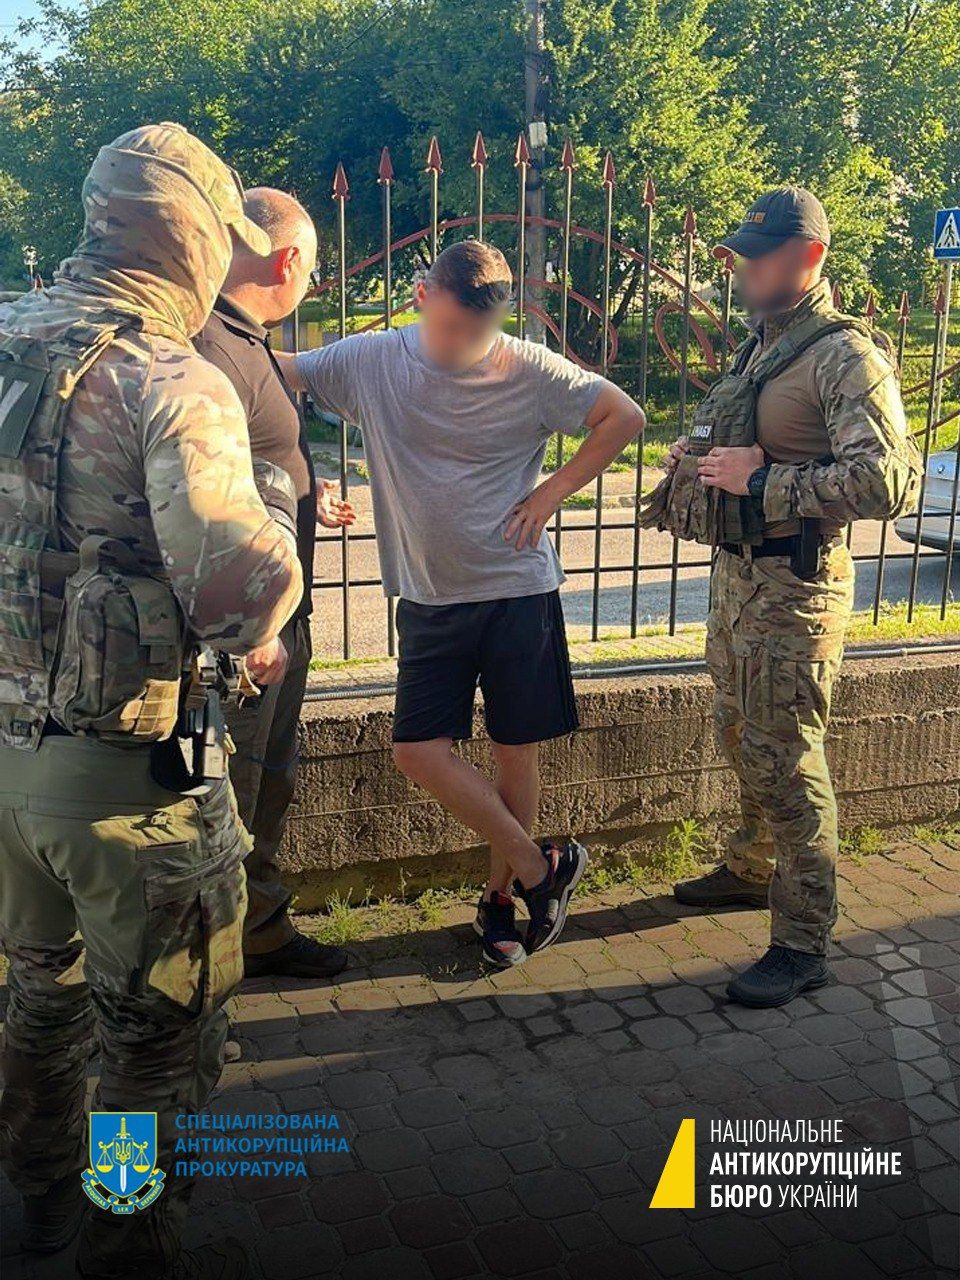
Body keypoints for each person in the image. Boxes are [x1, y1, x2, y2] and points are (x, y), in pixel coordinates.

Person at [0, 123, 303, 1278]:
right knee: (155, 1044)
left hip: (8, 773)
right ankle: (121, 1235)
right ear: (190, 236)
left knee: (41, 990)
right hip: (128, 788)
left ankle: (37, 1192)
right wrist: (277, 524)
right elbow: (236, 601)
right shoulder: (168, 379)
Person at [277, 239, 645, 967]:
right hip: (429, 595)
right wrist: (305, 476)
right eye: (452, 328)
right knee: (417, 751)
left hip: (517, 591)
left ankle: (501, 900)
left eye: (481, 332)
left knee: (515, 753)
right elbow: (274, 375)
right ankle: (542, 867)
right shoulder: (370, 359)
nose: (465, 345)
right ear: (421, 297)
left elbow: (624, 416)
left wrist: (552, 491)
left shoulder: (531, 368)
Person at [662, 187, 922, 1007]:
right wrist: (700, 458)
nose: (740, 269)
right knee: (739, 734)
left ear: (808, 258)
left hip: (797, 587)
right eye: (738, 255)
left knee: (788, 759)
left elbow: (890, 483)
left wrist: (763, 479)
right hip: (740, 581)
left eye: (758, 256)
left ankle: (803, 940)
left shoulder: (846, 356)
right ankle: (750, 868)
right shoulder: (764, 346)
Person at [194, 188, 355, 981]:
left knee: (267, 781)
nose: (310, 286)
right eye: (313, 272)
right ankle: (213, 966)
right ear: (288, 261)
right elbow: (194, 498)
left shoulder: (243, 339)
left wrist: (303, 495)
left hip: (276, 616)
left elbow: (247, 467)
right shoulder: (209, 348)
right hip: (247, 631)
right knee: (230, 791)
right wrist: (255, 630)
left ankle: (258, 928)